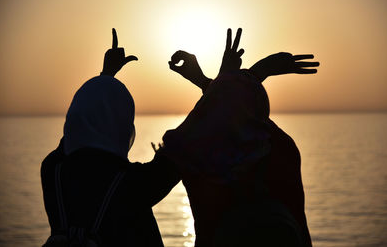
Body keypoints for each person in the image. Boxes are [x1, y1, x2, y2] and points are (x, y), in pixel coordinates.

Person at [164, 28, 319, 246]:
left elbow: (207, 125)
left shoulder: (197, 156)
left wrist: (221, 80)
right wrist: (253, 74)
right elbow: (239, 114)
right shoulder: (280, 148)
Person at [41, 29, 180, 246]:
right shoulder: (135, 184)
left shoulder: (52, 170)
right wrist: (209, 82)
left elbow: (78, 129)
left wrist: (106, 74)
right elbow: (193, 139)